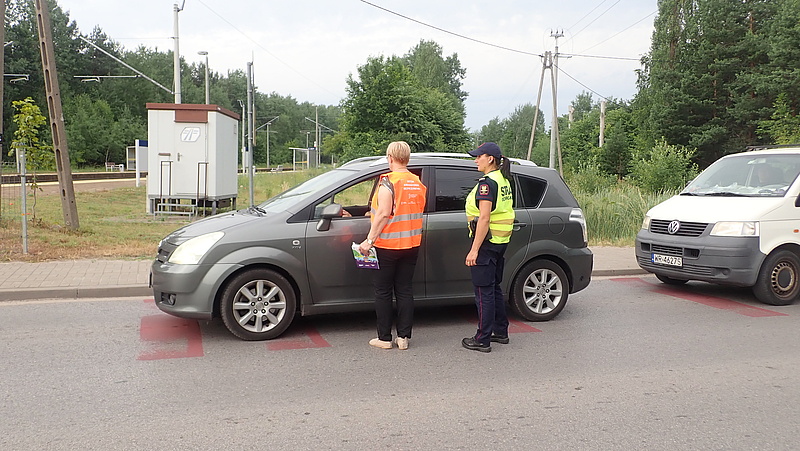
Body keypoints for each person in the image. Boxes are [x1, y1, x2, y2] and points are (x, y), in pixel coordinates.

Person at [359, 141, 427, 350]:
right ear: (406, 158)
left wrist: (369, 241)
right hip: (411, 244)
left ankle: (385, 338)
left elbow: (383, 214)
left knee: (383, 291)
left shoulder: (388, 182)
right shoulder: (417, 183)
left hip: (387, 245)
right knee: (405, 290)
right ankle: (404, 338)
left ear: (390, 157)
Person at [461, 142, 515, 353]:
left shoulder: (487, 184)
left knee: (483, 291)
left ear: (490, 159)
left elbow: (484, 218)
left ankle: (482, 339)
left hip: (486, 242)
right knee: (493, 288)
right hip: (500, 242)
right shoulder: (502, 180)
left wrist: (474, 249)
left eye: (478, 156)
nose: (476, 160)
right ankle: (500, 331)